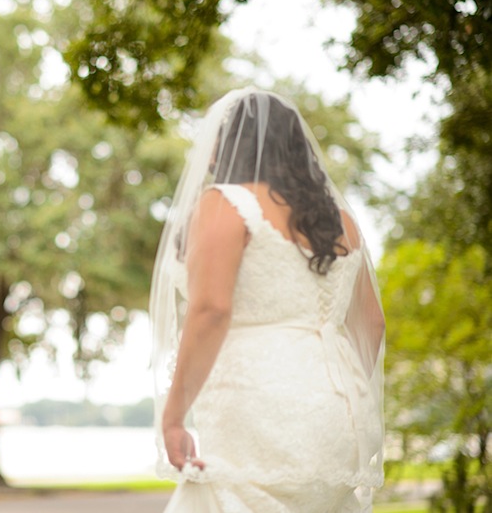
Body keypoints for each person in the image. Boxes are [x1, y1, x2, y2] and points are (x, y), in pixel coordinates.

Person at [150, 89, 385, 512]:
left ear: (229, 143)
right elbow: (372, 322)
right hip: (339, 410)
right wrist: (325, 388)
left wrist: (172, 417)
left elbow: (211, 310)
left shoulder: (225, 203)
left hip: (257, 403)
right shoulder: (341, 220)